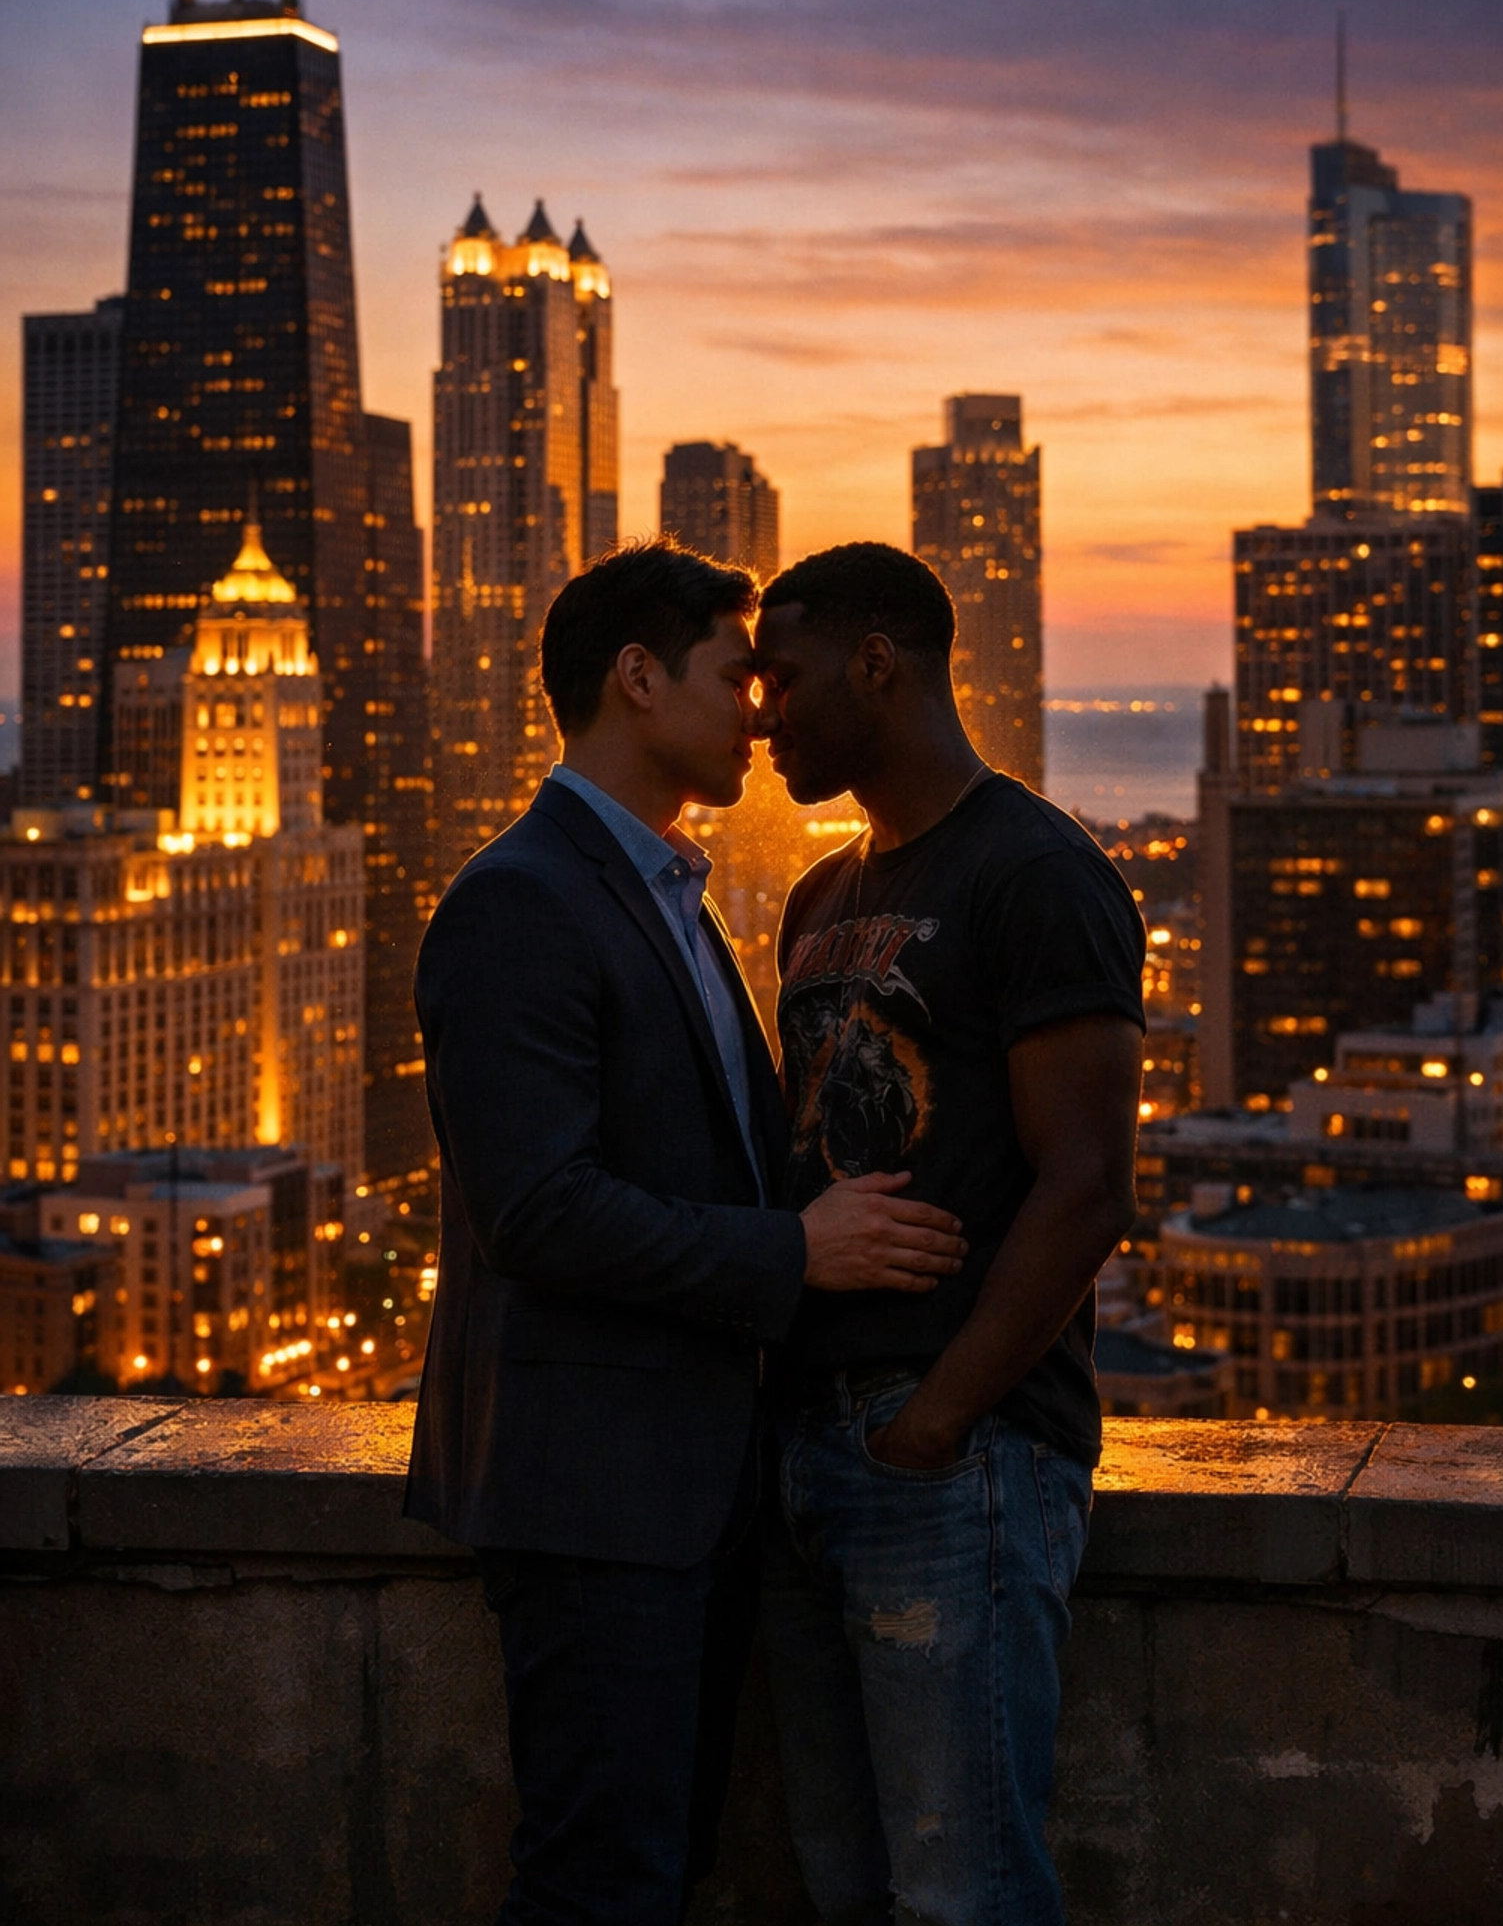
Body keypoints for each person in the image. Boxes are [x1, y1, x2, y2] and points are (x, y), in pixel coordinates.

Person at [405, 541, 968, 1926]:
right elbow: (535, 1208)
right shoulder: (519, 902)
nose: (763, 711)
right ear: (639, 679)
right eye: (736, 675)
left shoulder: (684, 903)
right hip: (592, 1505)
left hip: (686, 1504)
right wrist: (799, 1255)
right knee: (606, 1882)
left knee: (659, 1872)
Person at [752, 542, 1146, 1926]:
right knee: (845, 1886)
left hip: (954, 1463)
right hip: (808, 1458)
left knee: (961, 1894)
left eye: (783, 677)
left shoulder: (1036, 871)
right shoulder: (820, 896)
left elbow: (1090, 1185)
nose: (761, 712)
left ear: (880, 665)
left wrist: (937, 1419)